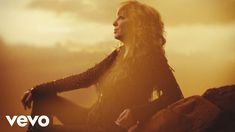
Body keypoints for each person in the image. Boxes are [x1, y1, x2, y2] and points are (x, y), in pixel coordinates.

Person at [21, 1, 183, 132]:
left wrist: (137, 113)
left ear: (138, 24)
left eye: (121, 18)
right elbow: (84, 78)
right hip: (90, 118)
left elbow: (174, 95)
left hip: (105, 128)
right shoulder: (119, 54)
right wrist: (37, 89)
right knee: (43, 96)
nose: (114, 23)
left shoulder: (152, 58)